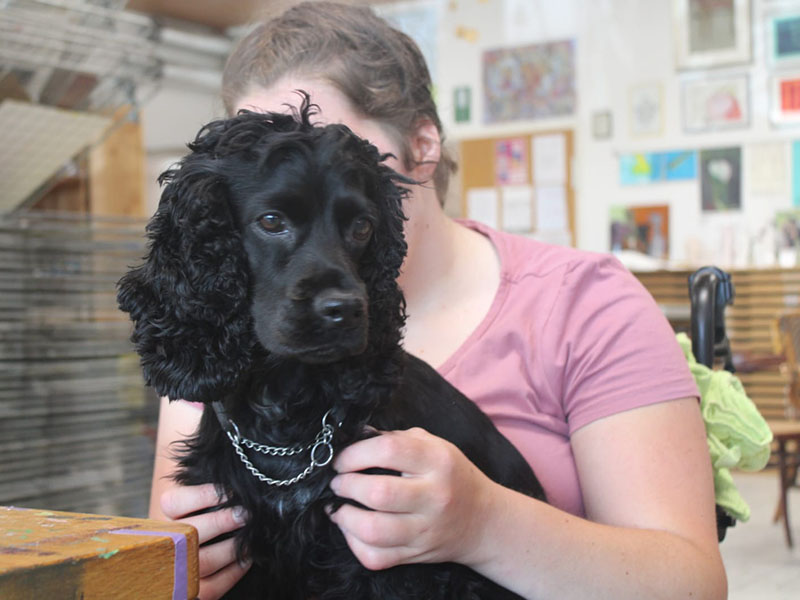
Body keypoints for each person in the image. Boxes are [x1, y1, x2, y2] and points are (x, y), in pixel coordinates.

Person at [149, 3, 727, 599]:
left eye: (326, 140)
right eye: (260, 152)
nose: (290, 161)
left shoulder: (587, 306)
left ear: (422, 146)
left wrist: (485, 525)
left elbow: (693, 587)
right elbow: (169, 558)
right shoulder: (222, 328)